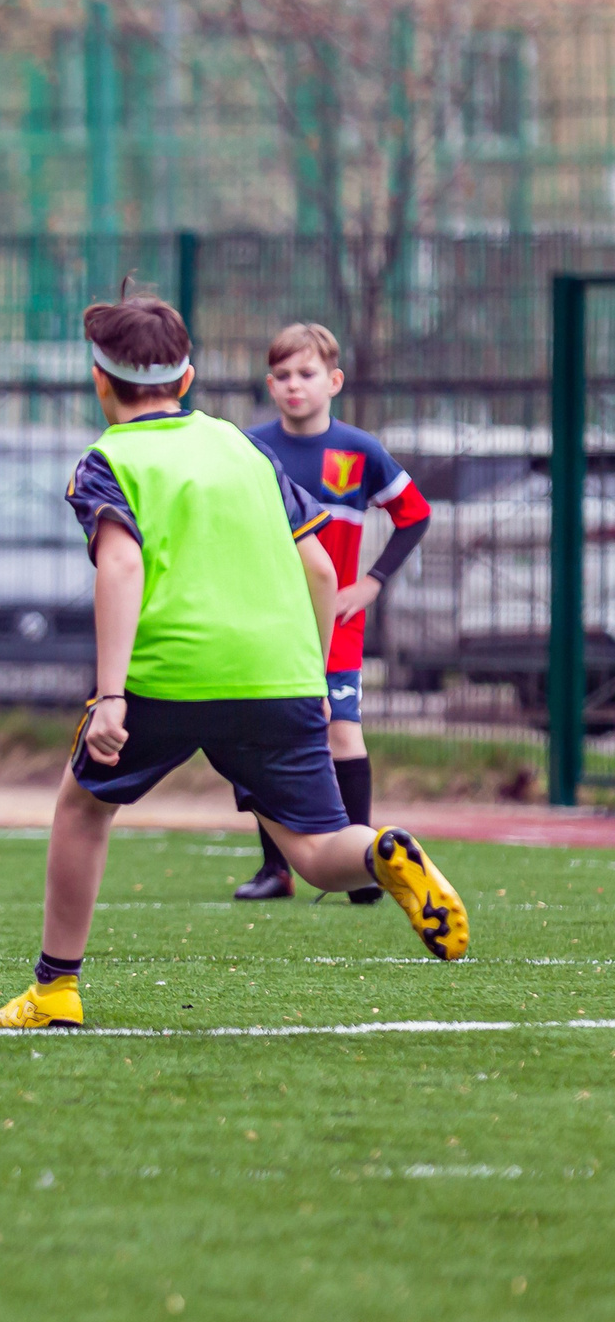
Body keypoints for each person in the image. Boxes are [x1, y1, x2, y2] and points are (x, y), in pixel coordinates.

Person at [0, 292, 468, 1030]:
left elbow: (121, 567)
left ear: (99, 381)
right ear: (187, 379)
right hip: (278, 673)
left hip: (166, 676)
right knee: (316, 848)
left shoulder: (109, 459)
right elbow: (320, 569)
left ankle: (55, 992)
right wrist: (311, 676)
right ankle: (382, 852)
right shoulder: (246, 449)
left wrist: (111, 697)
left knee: (83, 809)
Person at [233, 323, 432, 902]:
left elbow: (415, 514)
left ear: (334, 381)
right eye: (282, 376)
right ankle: (276, 869)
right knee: (270, 738)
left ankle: (368, 866)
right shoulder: (250, 449)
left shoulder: (359, 450)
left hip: (336, 624)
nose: (294, 385)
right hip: (267, 624)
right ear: (270, 385)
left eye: (307, 373)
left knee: (342, 733)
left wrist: (371, 583)